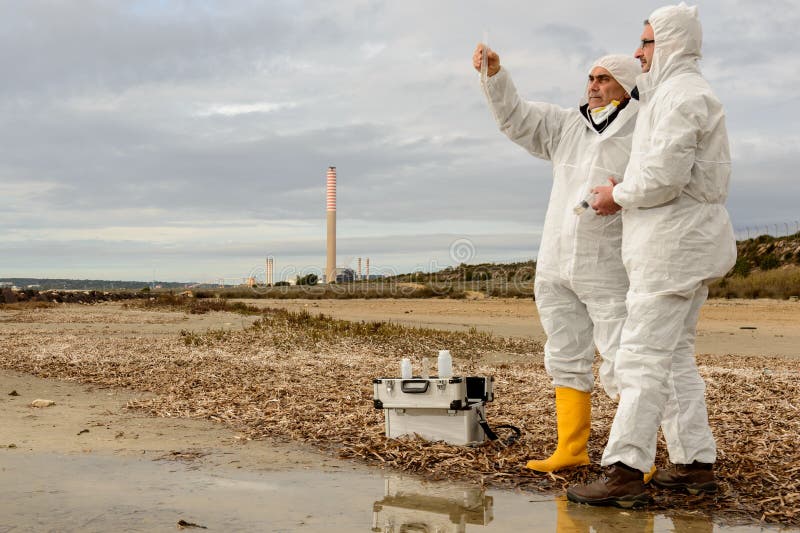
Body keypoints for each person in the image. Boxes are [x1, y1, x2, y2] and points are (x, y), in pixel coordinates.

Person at [567, 3, 736, 508]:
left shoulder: (681, 96)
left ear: (671, 43)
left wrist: (614, 195)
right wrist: (626, 185)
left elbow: (664, 179)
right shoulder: (679, 94)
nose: (638, 53)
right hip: (683, 244)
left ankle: (624, 470)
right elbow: (671, 172)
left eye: (646, 42)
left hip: (671, 250)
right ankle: (694, 463)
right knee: (675, 356)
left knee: (640, 356)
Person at [473, 45, 641, 472]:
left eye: (604, 79)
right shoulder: (569, 124)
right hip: (556, 259)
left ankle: (634, 456)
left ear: (627, 86)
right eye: (591, 78)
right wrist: (495, 75)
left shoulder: (644, 127)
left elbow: (660, 181)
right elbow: (517, 118)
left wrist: (624, 194)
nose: (593, 86)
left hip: (609, 262)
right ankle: (571, 448)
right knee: (565, 353)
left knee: (624, 357)